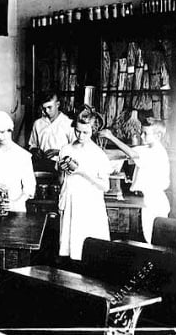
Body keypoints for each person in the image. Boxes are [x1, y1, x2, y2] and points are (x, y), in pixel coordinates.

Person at [99, 118, 170, 243]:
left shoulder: (158, 152)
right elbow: (120, 153)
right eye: (141, 132)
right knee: (144, 239)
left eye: (145, 133)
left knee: (152, 241)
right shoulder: (146, 148)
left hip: (154, 201)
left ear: (158, 135)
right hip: (143, 200)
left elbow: (132, 154)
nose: (141, 136)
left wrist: (111, 137)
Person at [57, 109, 111, 261]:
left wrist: (82, 171)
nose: (80, 136)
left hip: (89, 205)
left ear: (93, 131)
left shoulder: (98, 154)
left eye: (85, 132)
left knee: (87, 249)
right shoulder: (66, 149)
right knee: (69, 248)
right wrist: (61, 171)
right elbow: (61, 181)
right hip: (70, 201)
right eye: (77, 131)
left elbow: (105, 186)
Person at [29, 93, 75, 171]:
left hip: (62, 166)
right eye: (44, 108)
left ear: (58, 104)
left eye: (49, 107)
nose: (46, 111)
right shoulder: (38, 123)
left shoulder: (68, 123)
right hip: (42, 165)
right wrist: (35, 150)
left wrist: (58, 152)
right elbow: (32, 144)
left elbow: (76, 149)